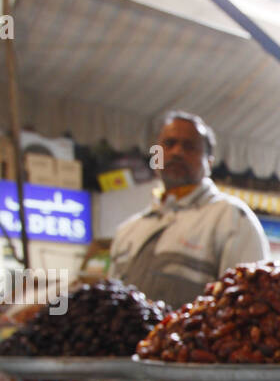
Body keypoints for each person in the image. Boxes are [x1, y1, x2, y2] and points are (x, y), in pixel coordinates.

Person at [110, 111, 269, 307]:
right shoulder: (127, 230)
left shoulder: (233, 219)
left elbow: (250, 303)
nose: (177, 152)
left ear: (209, 162)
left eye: (189, 146)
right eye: (169, 144)